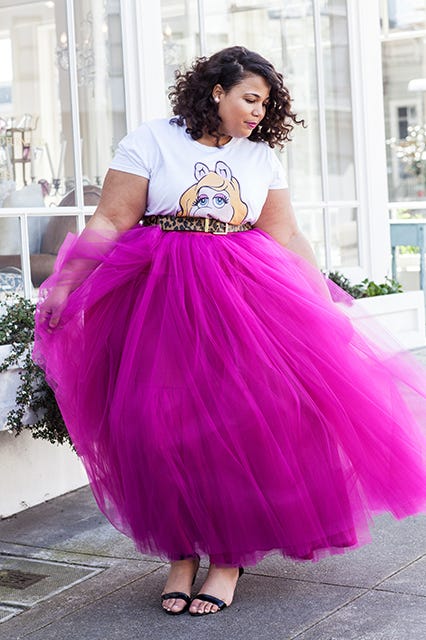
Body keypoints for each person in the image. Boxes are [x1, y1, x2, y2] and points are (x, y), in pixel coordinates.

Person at [34, 46, 426, 618]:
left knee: (235, 422)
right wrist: (67, 283)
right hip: (155, 296)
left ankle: (226, 558)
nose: (258, 113)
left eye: (265, 105)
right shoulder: (152, 139)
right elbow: (112, 218)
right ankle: (179, 556)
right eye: (250, 99)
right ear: (217, 91)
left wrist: (322, 303)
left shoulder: (260, 156)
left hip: (243, 298)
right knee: (153, 424)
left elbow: (285, 235)